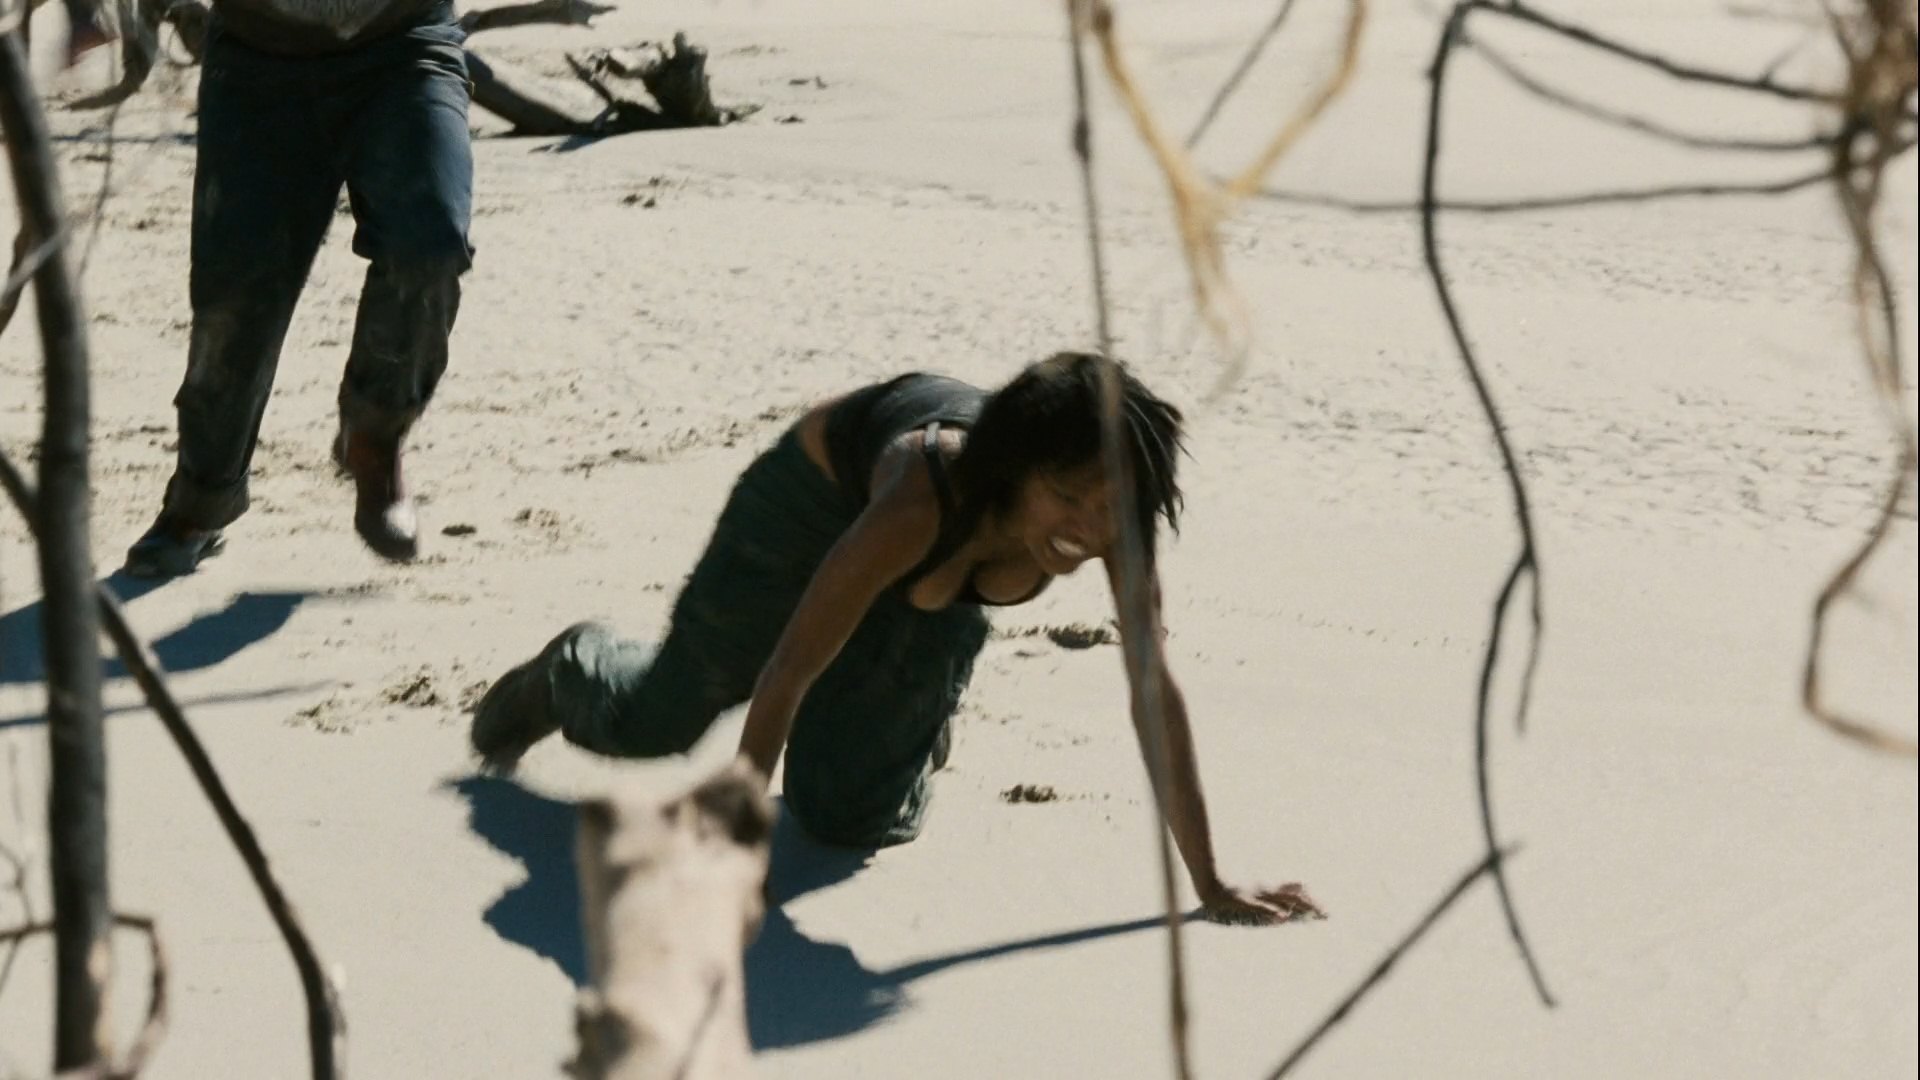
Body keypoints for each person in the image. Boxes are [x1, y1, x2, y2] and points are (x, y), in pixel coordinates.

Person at [472, 352, 1322, 925]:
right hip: (812, 511)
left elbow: (1151, 690)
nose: (1087, 529)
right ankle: (570, 668)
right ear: (1017, 473)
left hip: (936, 574)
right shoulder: (921, 496)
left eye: (1110, 506)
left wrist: (1211, 881)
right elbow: (790, 667)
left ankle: (903, 722)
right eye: (1067, 498)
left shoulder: (1115, 521)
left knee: (850, 818)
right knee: (661, 718)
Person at [122, 0, 476, 576]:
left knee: (428, 247)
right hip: (259, 57)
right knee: (234, 302)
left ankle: (374, 440)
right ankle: (203, 499)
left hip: (402, 46)